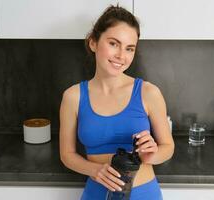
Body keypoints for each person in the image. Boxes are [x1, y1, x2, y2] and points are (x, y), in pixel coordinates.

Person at [59, 5, 174, 200]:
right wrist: (95, 170)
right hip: (96, 194)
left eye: (129, 48)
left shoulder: (149, 93)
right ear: (93, 43)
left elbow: (168, 147)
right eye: (114, 43)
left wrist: (151, 154)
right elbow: (67, 154)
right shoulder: (73, 96)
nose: (122, 55)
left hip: (144, 194)